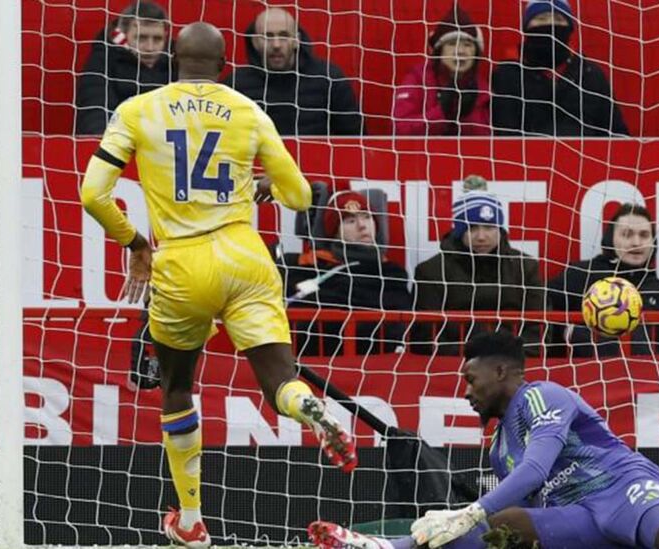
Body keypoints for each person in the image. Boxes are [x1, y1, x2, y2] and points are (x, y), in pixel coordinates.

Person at [78, 22, 356, 548]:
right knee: (279, 380)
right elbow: (301, 197)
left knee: (178, 387)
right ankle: (307, 408)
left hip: (181, 263)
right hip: (245, 255)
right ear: (228, 62)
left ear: (175, 57)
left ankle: (191, 518)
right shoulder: (249, 111)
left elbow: (92, 193)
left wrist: (134, 242)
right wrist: (271, 186)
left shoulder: (138, 110)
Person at [307, 331, 659, 549]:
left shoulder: (541, 397)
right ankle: (376, 547)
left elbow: (535, 471)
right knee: (501, 530)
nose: (465, 389)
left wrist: (470, 509)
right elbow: (526, 500)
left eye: (470, 376)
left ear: (503, 371)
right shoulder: (494, 448)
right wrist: (490, 521)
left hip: (618, 488)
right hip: (577, 517)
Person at [412, 177, 545, 356]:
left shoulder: (526, 268)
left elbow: (539, 328)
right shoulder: (431, 271)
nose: (481, 236)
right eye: (473, 228)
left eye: (489, 227)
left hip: (514, 367)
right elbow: (426, 336)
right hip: (453, 367)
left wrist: (513, 359)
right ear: (459, 231)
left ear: (500, 229)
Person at [283, 189, 413, 355]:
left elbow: (398, 329)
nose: (362, 225)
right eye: (350, 221)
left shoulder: (393, 274)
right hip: (319, 364)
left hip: (380, 367)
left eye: (367, 217)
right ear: (335, 232)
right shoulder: (306, 268)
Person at [548, 203, 659, 358]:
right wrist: (577, 335)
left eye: (644, 235)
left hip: (647, 379)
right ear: (610, 239)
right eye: (627, 234)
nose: (636, 242)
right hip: (585, 378)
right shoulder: (580, 275)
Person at [490, 0, 629, 137]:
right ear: (526, 27)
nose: (550, 24)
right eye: (541, 18)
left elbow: (616, 133)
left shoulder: (590, 74)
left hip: (586, 157)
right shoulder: (507, 74)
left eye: (558, 18)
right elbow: (504, 133)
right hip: (523, 158)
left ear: (570, 27)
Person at [227, 7, 364, 136]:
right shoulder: (235, 86)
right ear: (255, 42)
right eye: (268, 36)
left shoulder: (329, 78)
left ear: (296, 40)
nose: (276, 45)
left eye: (284, 36)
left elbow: (354, 138)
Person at [74, 1, 175, 135]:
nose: (150, 47)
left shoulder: (177, 60)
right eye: (141, 38)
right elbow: (95, 112)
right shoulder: (104, 59)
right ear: (123, 35)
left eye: (157, 39)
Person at [392, 7, 491, 136]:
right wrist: (442, 111)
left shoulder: (481, 87)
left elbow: (486, 142)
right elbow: (401, 130)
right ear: (439, 51)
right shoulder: (418, 80)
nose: (460, 51)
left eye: (467, 45)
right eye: (451, 44)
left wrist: (465, 115)